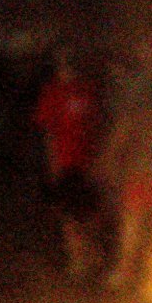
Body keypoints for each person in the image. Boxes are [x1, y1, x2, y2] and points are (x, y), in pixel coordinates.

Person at [32, 52, 107, 281]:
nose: (69, 69)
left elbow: (99, 126)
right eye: (65, 64)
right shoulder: (52, 93)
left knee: (90, 212)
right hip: (65, 162)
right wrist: (53, 164)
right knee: (69, 215)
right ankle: (78, 262)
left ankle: (93, 258)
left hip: (88, 162)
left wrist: (101, 160)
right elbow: (48, 133)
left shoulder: (88, 90)